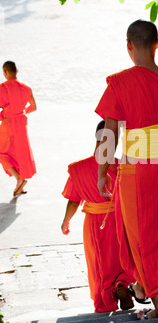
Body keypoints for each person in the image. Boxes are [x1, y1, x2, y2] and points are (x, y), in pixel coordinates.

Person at [95, 19, 158, 320]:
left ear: (129, 46)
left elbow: (109, 135)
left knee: (141, 240)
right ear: (157, 43)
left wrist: (102, 173)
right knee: (151, 235)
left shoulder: (119, 82)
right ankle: (143, 286)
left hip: (135, 172)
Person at [61, 120, 135, 313]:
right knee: (121, 257)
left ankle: (104, 302)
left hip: (95, 223)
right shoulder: (121, 165)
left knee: (99, 264)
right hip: (120, 219)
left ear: (96, 138)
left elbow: (73, 200)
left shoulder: (79, 168)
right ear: (116, 141)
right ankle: (121, 283)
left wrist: (66, 221)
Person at [0, 61, 36, 196]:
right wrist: (21, 112)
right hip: (21, 124)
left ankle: (18, 178)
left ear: (5, 72)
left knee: (2, 154)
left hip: (8, 124)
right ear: (17, 71)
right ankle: (19, 185)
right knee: (19, 153)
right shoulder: (26, 88)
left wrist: (3, 114)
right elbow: (33, 107)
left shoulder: (2, 88)